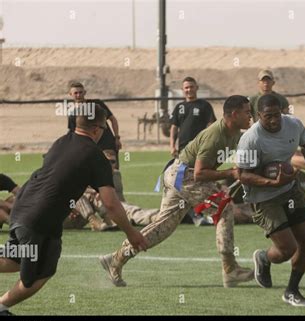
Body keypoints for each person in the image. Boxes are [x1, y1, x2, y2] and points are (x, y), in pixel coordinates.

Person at [0, 104, 148, 315]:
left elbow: (62, 172)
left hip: (21, 209)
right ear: (97, 129)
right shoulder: (96, 156)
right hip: (41, 220)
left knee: (15, 259)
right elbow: (111, 203)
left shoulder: (60, 142)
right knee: (39, 274)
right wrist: (131, 232)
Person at [99, 95, 255, 288]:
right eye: (247, 112)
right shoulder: (215, 135)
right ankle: (230, 270)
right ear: (234, 114)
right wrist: (231, 172)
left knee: (162, 228)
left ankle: (115, 259)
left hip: (178, 175)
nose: (251, 116)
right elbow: (200, 173)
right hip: (184, 176)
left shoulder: (235, 133)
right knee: (224, 208)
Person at [237, 94, 305, 307]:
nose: (274, 120)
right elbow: (242, 175)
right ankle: (265, 258)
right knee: (287, 249)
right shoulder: (251, 138)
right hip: (263, 197)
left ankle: (292, 290)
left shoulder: (293, 124)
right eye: (268, 117)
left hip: (289, 189)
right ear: (259, 116)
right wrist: (271, 182)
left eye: (277, 115)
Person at [67, 81, 126, 201]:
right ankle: (103, 206)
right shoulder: (73, 113)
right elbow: (73, 133)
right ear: (70, 95)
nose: (78, 95)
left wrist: (117, 137)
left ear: (85, 92)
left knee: (112, 173)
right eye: (75, 93)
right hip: (90, 148)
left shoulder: (96, 105)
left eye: (80, 92)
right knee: (92, 175)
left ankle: (120, 202)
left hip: (107, 143)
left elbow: (112, 119)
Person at [169, 77, 217, 157]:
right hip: (183, 148)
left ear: (197, 88)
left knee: (200, 169)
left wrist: (211, 143)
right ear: (182, 89)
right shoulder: (179, 107)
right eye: (186, 88)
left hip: (201, 147)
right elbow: (174, 128)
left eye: (191, 87)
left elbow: (212, 126)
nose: (189, 90)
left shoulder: (204, 105)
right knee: (184, 169)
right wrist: (172, 146)